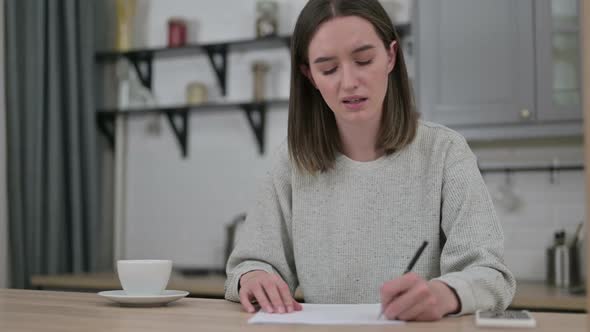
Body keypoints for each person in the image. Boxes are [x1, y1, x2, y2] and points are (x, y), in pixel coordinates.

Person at [225, 0, 515, 321]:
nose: (349, 82)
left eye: (363, 60)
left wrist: (446, 295)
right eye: (328, 69)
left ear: (391, 56)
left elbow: (491, 274)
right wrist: (251, 277)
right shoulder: (292, 162)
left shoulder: (444, 151)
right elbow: (249, 264)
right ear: (309, 75)